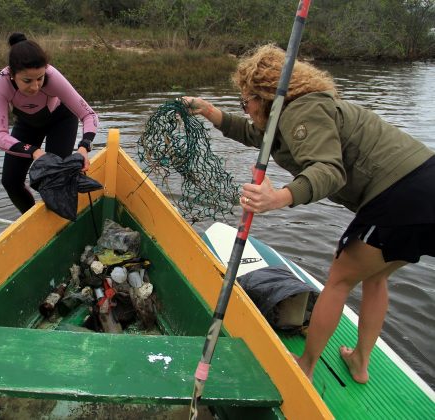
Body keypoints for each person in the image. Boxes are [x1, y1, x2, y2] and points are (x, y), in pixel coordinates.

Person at [183, 44, 435, 384]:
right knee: (375, 276)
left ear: (264, 95)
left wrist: (278, 198)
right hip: (423, 186)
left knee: (340, 278)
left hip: (400, 193)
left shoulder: (301, 111)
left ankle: (306, 365)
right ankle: (359, 363)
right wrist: (210, 112)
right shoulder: (291, 112)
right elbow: (257, 134)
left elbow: (329, 171)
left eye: (246, 101)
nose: (246, 108)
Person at [0, 32, 98, 214]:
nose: (35, 86)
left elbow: (89, 115)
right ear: (12, 75)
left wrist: (83, 148)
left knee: (55, 180)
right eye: (27, 80)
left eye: (39, 78)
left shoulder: (52, 76)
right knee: (10, 182)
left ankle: (61, 221)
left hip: (60, 120)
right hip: (27, 123)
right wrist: (34, 151)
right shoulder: (0, 85)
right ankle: (32, 222)